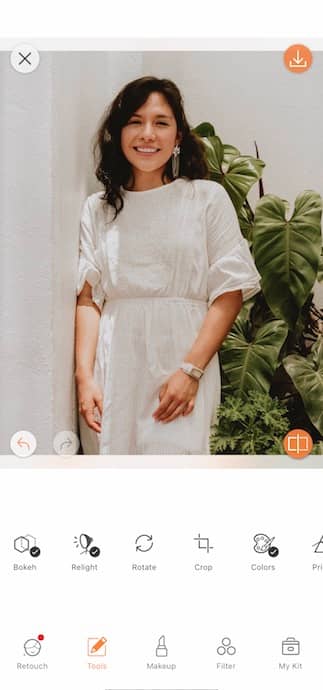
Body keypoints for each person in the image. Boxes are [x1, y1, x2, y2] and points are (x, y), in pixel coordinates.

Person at [75, 76, 261, 455]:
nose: (147, 134)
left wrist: (190, 371)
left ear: (178, 137)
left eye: (161, 123)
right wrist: (84, 378)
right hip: (114, 367)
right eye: (135, 121)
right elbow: (88, 299)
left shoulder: (206, 198)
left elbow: (230, 291)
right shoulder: (98, 209)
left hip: (182, 360)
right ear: (118, 132)